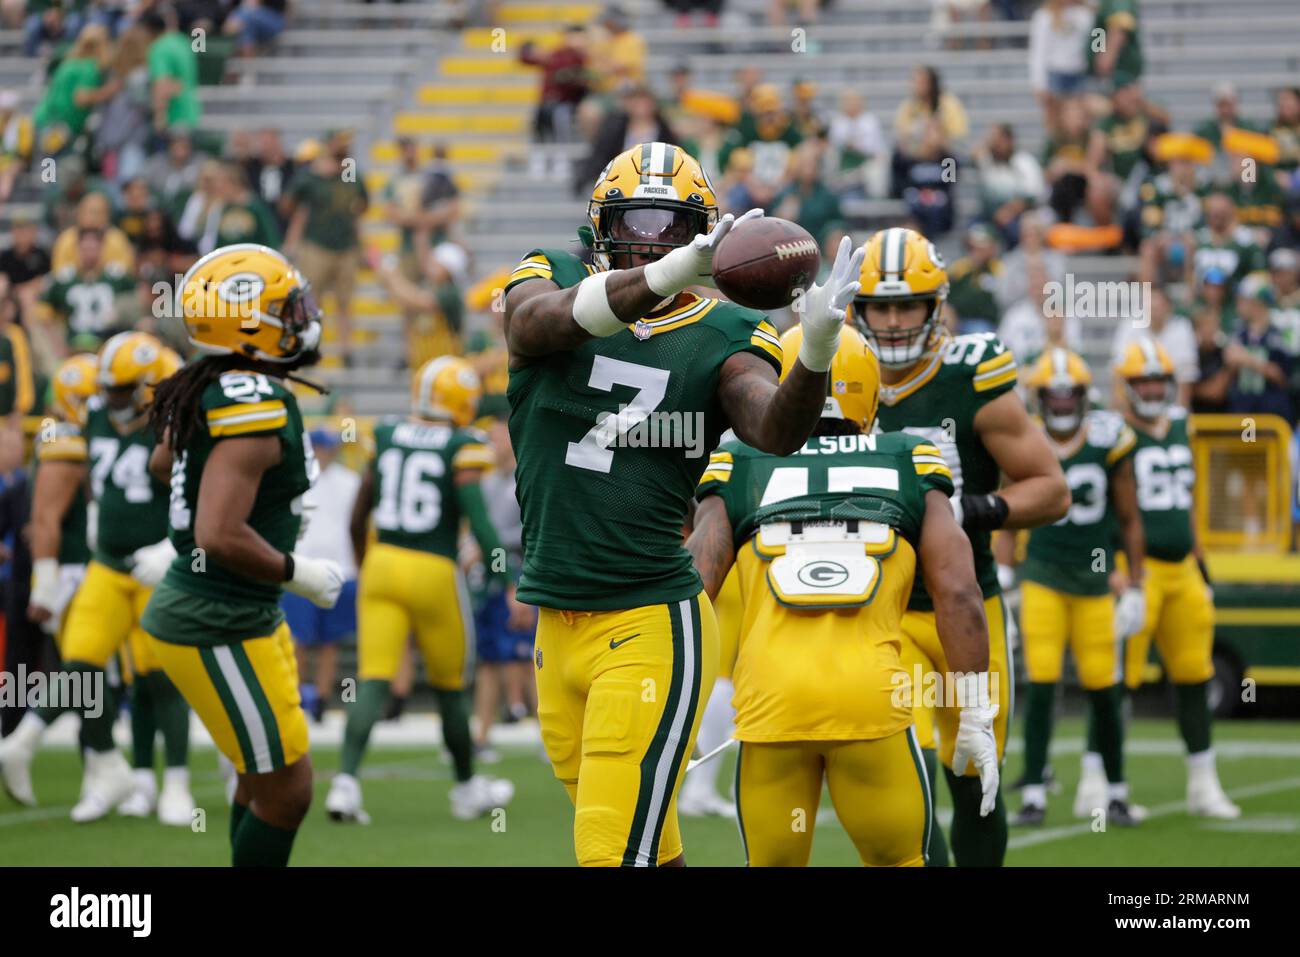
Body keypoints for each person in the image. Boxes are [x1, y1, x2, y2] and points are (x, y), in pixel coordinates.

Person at [503, 141, 864, 866]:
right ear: (600, 223)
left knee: (609, 851)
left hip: (649, 619)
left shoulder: (723, 330)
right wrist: (661, 275)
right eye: (635, 220)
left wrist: (816, 354)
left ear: (703, 231)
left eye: (671, 226)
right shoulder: (553, 271)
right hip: (556, 616)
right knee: (649, 844)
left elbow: (773, 427)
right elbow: (530, 327)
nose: (650, 238)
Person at [687, 325, 998, 865]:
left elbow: (692, 590)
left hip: (772, 704)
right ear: (870, 392)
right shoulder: (909, 458)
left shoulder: (738, 464)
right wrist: (973, 711)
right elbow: (960, 593)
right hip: (871, 701)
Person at [853, 226, 1070, 867]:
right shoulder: (830, 368)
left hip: (967, 607)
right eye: (879, 306)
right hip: (877, 612)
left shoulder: (971, 373)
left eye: (907, 305)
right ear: (856, 310)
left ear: (937, 303)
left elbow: (1051, 490)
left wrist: (968, 509)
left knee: (975, 779)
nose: (892, 322)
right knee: (902, 772)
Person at [142, 243, 345, 866]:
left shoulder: (218, 383)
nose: (303, 315)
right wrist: (300, 572)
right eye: (288, 306)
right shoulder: (250, 399)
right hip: (215, 614)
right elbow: (218, 536)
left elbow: (161, 464)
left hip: (238, 611)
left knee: (262, 780)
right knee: (288, 792)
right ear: (247, 323)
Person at [0, 335, 194, 824]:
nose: (110, 398)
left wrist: (174, 546)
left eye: (122, 389)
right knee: (82, 665)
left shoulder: (177, 425)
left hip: (158, 566)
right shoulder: (90, 417)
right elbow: (64, 487)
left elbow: (201, 494)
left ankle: (176, 783)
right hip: (108, 563)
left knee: (162, 678)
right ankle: (95, 764)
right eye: (107, 388)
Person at [327, 356, 516, 824]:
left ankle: (345, 785)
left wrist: (365, 561)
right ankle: (468, 788)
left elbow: (358, 513)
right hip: (434, 570)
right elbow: (481, 521)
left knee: (373, 678)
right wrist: (507, 577)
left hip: (382, 563)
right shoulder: (463, 443)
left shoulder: (387, 432)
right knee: (451, 687)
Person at [1010, 349, 1146, 827]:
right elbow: (1007, 510)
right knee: (1042, 685)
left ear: (1085, 397)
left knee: (1103, 688)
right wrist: (1007, 576)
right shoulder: (1024, 436)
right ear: (1040, 397)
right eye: (1054, 394)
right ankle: (1033, 791)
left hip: (1093, 582)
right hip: (1044, 575)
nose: (1063, 403)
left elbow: (1130, 517)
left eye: (1071, 395)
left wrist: (1137, 584)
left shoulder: (1109, 438)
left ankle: (1116, 791)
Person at [1106, 338, 1240, 819]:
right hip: (1139, 571)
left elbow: (1190, 502)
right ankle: (1103, 781)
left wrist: (1201, 563)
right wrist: (1115, 572)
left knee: (1194, 675)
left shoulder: (1182, 425)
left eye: (1156, 380)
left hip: (1182, 569)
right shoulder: (1115, 432)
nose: (1150, 388)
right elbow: (1108, 512)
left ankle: (1204, 785)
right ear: (1125, 386)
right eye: (1141, 381)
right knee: (1119, 680)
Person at [281, 427, 359, 724]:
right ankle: (299, 697)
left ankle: (322, 700)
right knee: (298, 639)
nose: (323, 453)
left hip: (341, 568)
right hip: (301, 568)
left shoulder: (348, 481)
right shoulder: (294, 480)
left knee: (330, 641)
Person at [38, 227, 137, 354]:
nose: (89, 253)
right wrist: (57, 345)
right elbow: (43, 312)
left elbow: (137, 302)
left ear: (102, 249)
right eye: (85, 248)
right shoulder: (65, 279)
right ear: (77, 250)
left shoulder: (117, 276)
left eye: (93, 248)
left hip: (110, 346)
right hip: (75, 347)